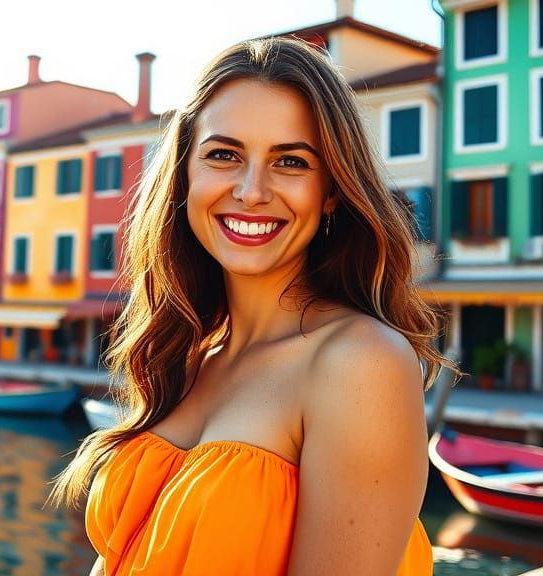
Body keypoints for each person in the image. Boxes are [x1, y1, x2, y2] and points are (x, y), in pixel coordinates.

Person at [51, 37, 453, 575]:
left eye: (290, 161)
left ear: (331, 190)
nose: (252, 190)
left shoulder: (360, 363)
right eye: (224, 155)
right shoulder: (191, 352)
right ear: (185, 174)